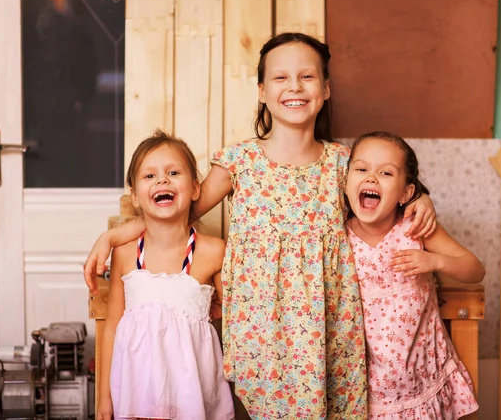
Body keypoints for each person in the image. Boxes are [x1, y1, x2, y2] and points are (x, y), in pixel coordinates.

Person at [85, 33, 437, 419]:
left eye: (307, 77)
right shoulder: (242, 160)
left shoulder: (343, 163)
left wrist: (420, 196)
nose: (294, 87)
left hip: (328, 327)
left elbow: (385, 193)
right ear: (262, 92)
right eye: (280, 78)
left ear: (325, 90)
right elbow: (173, 213)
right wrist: (115, 234)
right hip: (263, 330)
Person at [344, 131, 483, 419]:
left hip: (420, 386)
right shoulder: (335, 236)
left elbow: (474, 270)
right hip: (365, 396)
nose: (370, 178)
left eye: (385, 172)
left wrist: (434, 261)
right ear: (344, 182)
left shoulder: (414, 228)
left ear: (406, 193)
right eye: (361, 169)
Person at [97, 131, 234, 420]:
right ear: (135, 196)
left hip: (192, 396)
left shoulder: (214, 252)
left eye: (173, 172)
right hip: (138, 395)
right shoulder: (124, 254)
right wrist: (104, 399)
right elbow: (111, 329)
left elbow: (233, 317)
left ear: (196, 189)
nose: (162, 180)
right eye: (149, 176)